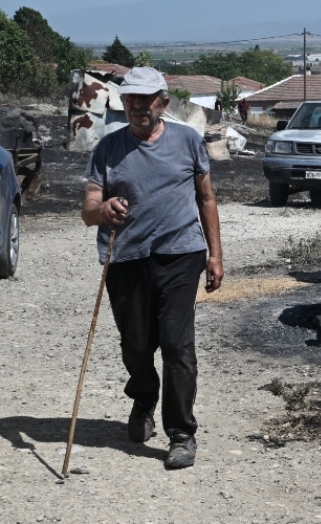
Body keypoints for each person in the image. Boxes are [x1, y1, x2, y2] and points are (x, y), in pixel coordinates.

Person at [80, 67, 224, 469]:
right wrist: (103, 209)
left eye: (147, 99)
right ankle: (144, 398)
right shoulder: (107, 149)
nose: (139, 106)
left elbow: (206, 199)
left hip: (181, 255)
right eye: (131, 99)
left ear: (162, 102)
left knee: (178, 345)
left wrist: (215, 254)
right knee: (137, 345)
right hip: (126, 258)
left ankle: (181, 433)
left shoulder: (188, 140)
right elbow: (89, 209)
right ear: (123, 103)